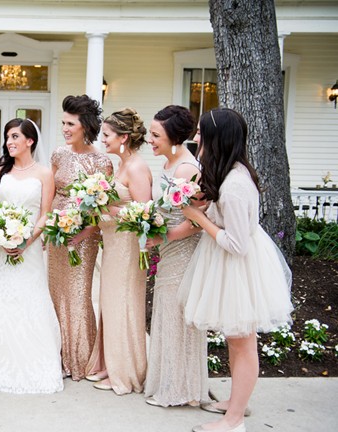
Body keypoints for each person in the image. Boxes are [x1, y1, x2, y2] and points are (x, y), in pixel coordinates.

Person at [179, 109, 293, 432]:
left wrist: (199, 218)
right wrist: (203, 204)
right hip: (228, 264)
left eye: (201, 132)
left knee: (243, 344)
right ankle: (235, 403)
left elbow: (237, 244)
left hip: (238, 268)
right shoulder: (228, 175)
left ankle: (234, 420)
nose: (196, 137)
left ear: (217, 139)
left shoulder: (235, 185)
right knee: (236, 340)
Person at [0, 119, 63, 394]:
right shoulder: (1, 171)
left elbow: (45, 214)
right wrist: (0, 234)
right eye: (7, 137)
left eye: (15, 136)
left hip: (29, 247)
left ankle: (33, 360)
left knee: (28, 298)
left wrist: (26, 241)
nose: (9, 142)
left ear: (30, 141)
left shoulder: (45, 174)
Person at [143, 105, 209, 407]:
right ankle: (170, 382)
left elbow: (197, 221)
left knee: (178, 316)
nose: (150, 140)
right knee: (167, 313)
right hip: (168, 250)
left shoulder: (187, 168)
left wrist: (163, 236)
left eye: (156, 135)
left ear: (173, 137)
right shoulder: (170, 163)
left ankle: (180, 389)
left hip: (183, 251)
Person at [85, 108, 152, 395]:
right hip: (113, 244)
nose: (103, 139)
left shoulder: (136, 168)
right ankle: (111, 363)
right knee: (110, 304)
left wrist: (106, 208)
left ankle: (124, 372)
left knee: (123, 304)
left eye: (107, 135)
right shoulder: (120, 165)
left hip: (128, 247)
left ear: (124, 137)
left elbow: (144, 215)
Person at [47, 95, 113, 381]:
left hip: (84, 238)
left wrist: (83, 233)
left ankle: (80, 359)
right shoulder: (58, 154)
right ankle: (56, 356)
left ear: (84, 125)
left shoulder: (102, 162)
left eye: (70, 124)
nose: (64, 128)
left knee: (77, 294)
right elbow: (50, 193)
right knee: (55, 292)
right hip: (56, 234)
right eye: (63, 123)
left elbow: (102, 208)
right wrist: (49, 226)